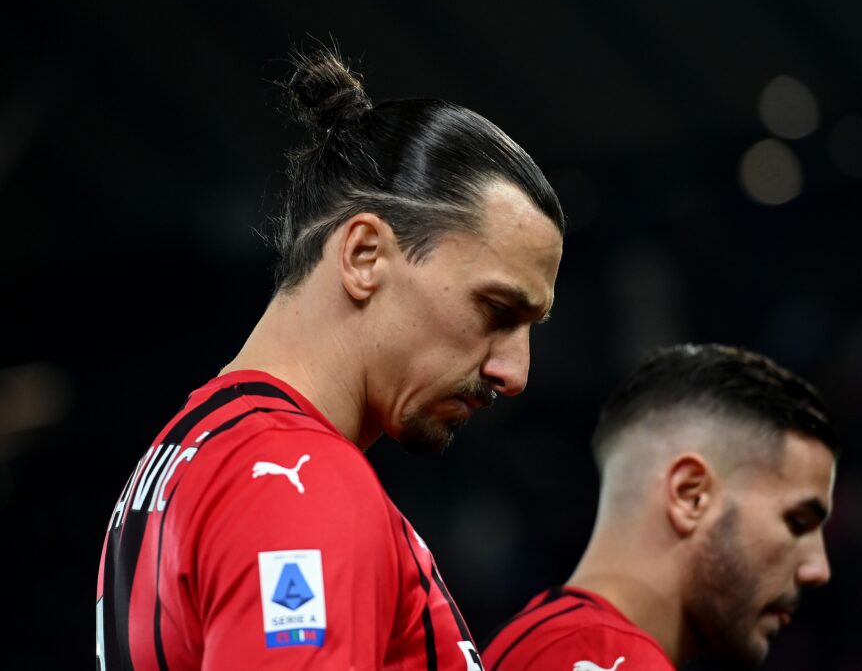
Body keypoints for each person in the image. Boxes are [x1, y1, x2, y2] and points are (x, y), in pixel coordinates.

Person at [95, 48, 565, 671]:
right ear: (365, 255)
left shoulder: (185, 457)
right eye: (497, 310)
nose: (515, 373)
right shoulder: (296, 478)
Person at [482, 344, 838, 670]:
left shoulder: (558, 643)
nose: (818, 570)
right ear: (690, 495)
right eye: (797, 522)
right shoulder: (595, 656)